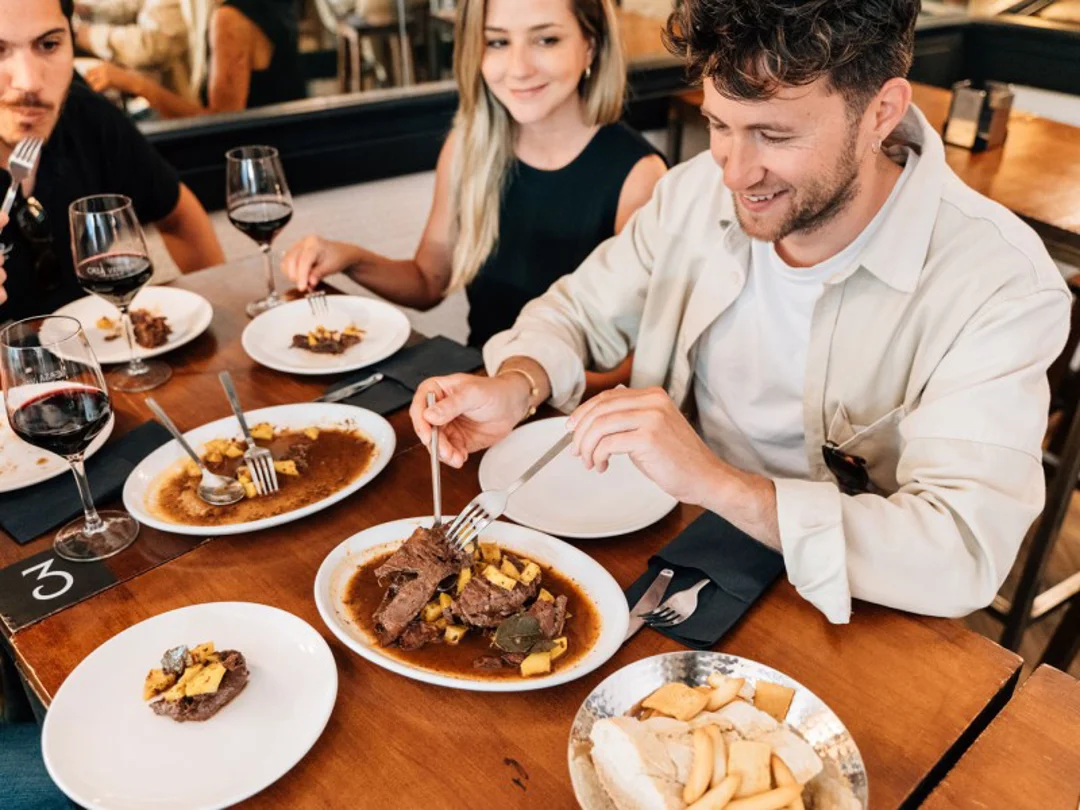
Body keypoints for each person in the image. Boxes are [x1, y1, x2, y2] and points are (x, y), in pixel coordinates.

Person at [408, 0, 1073, 624]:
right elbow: (576, 310)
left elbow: (960, 555)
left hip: (850, 608)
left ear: (881, 112)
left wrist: (717, 482)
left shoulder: (998, 283)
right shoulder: (694, 193)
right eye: (718, 125)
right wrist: (516, 383)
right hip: (674, 552)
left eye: (774, 135)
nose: (732, 173)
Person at [281, 0, 667, 390]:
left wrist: (529, 389)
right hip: (478, 390)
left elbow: (644, 362)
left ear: (592, 44)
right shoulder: (467, 147)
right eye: (497, 43)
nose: (518, 68)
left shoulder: (640, 176)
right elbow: (427, 283)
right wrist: (349, 258)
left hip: (574, 413)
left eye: (546, 39)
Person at [0, 0, 224, 324]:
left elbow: (179, 217)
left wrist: (209, 323)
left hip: (98, 359)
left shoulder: (86, 117)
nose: (30, 81)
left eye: (49, 44)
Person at [84, 0, 304, 117]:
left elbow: (223, 128)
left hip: (260, 162)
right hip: (290, 144)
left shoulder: (229, 20)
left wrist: (136, 84)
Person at [74, 0, 193, 98]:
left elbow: (154, 46)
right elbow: (134, 5)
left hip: (187, 108)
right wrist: (86, 10)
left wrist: (83, 34)